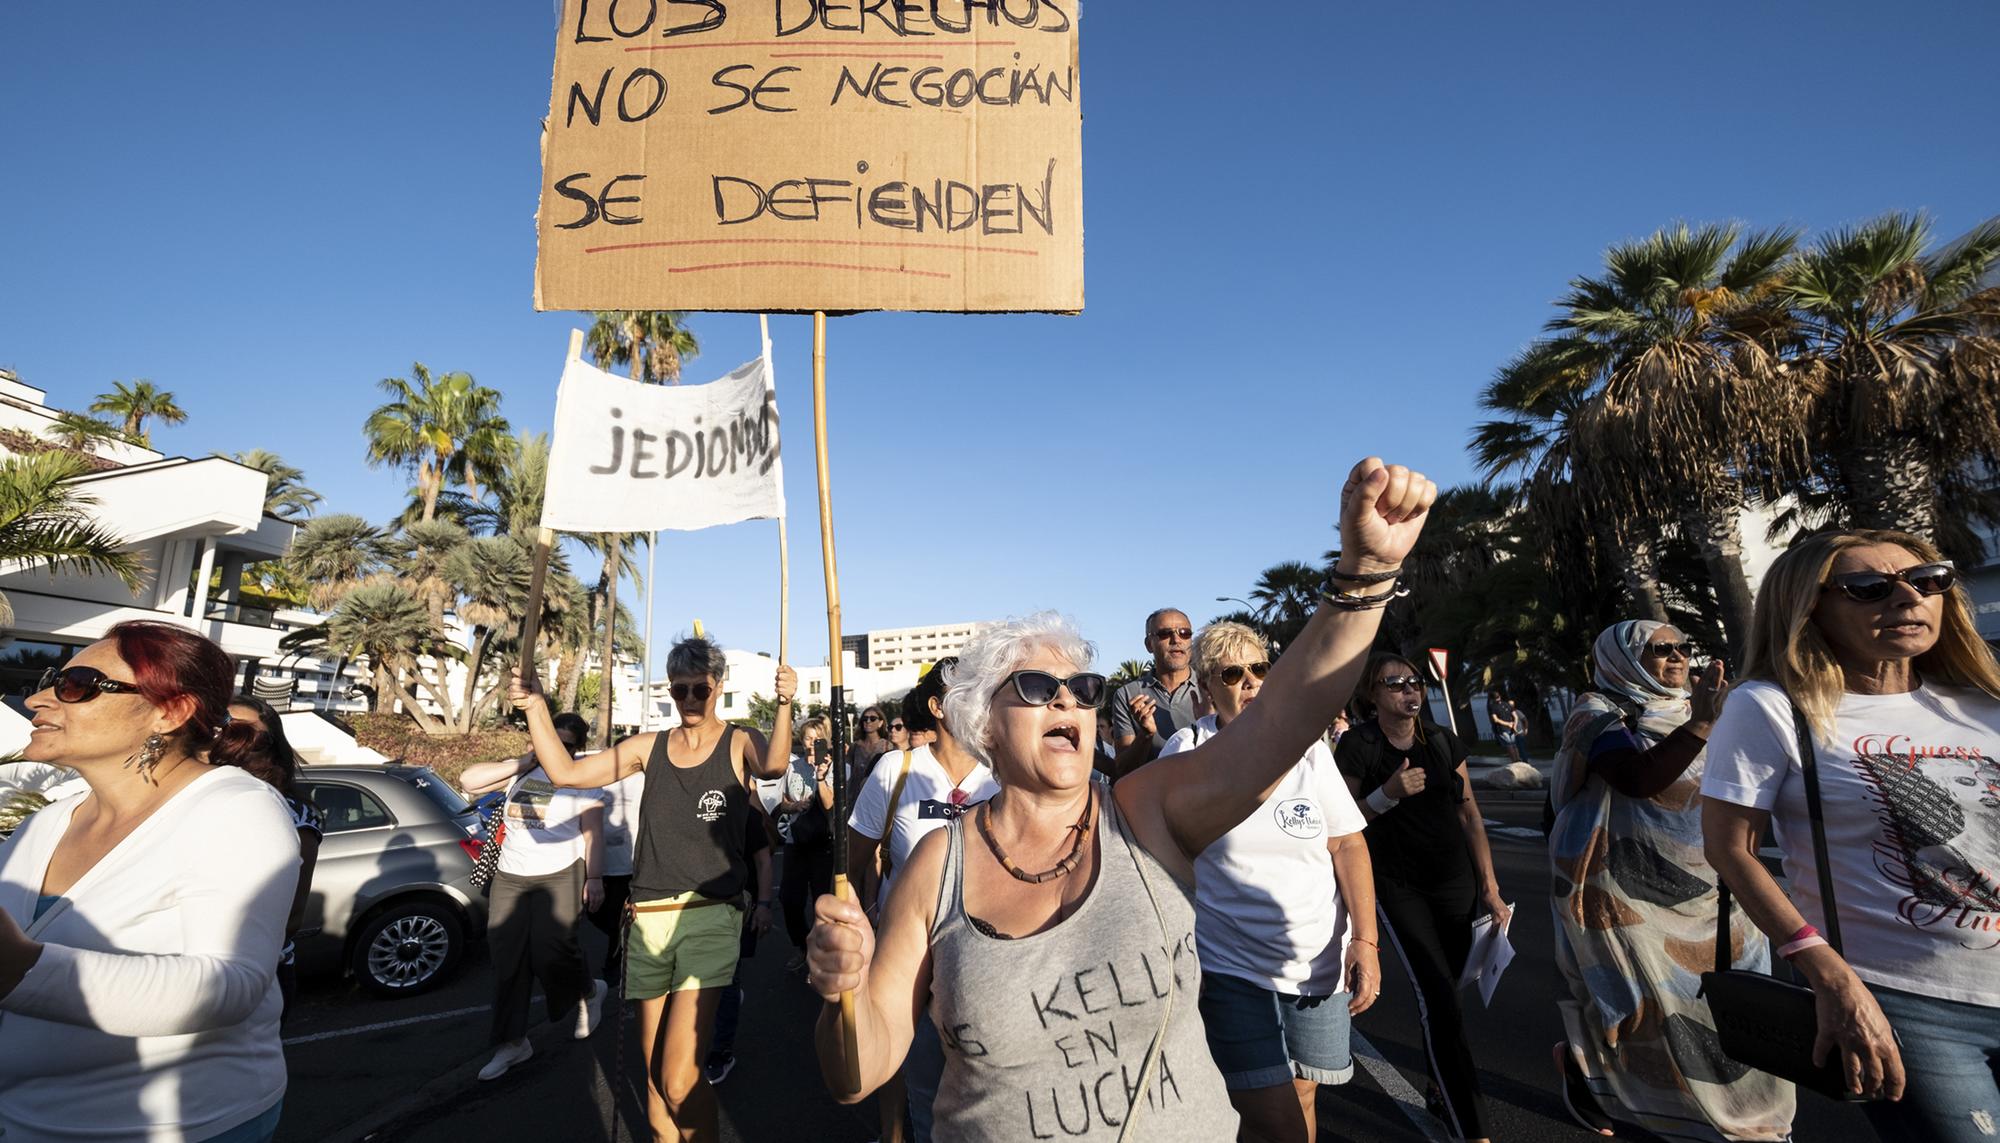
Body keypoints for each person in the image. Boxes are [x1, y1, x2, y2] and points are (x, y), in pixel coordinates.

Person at [806, 457, 1437, 1142]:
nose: (1069, 701)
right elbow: (855, 1074)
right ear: (981, 721)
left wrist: (1364, 576)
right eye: (1038, 687)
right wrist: (841, 988)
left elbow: (1282, 718)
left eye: (1082, 687)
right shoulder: (937, 866)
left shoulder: (1146, 812)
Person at [1702, 531, 2000, 1141]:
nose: (1907, 599)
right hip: (1907, 1003)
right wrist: (1832, 979)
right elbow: (1731, 848)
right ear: (1808, 609)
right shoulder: (1772, 707)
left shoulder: (1983, 700)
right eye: (1869, 589)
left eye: (1927, 580)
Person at [0, 621, 300, 1142]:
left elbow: (229, 984)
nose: (37, 700)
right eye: (53, 679)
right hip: (28, 1117)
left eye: (77, 685)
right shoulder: (45, 823)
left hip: (176, 1126)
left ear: (170, 711)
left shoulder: (236, 810)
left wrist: (19, 968)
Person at [509, 636, 795, 1143]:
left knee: (679, 1078)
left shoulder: (737, 742)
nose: (689, 700)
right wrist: (535, 706)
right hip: (646, 919)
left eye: (699, 690)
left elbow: (773, 764)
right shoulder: (649, 746)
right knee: (654, 1081)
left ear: (718, 688)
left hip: (710, 916)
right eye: (680, 689)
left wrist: (785, 703)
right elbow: (567, 773)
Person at [1548, 622, 1794, 1141]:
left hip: (1714, 885)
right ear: (1626, 659)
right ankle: (1620, 1095)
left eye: (1685, 647)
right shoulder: (1597, 713)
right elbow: (1638, 779)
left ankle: (1748, 1120)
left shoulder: (1698, 710)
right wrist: (1703, 725)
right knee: (1649, 1011)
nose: (1679, 657)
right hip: (1619, 888)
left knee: (1735, 1009)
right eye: (1662, 650)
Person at [1159, 621, 1377, 1143]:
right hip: (1229, 964)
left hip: (1316, 963)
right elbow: (1163, 859)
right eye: (1233, 673)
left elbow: (1347, 844)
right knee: (1262, 1108)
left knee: (1303, 1093)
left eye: (1260, 669)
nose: (1251, 682)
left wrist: (1365, 941)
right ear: (1207, 688)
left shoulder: (1308, 749)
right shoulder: (1185, 752)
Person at [1336, 652, 1510, 1143]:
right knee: (1438, 998)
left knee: (1448, 990)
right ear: (1374, 694)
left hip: (1456, 884)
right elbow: (1339, 826)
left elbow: (1470, 814)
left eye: (1413, 682)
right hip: (1397, 886)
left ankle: (1439, 1085)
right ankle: (1468, 1128)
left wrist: (1491, 889)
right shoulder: (1357, 745)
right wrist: (1386, 793)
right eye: (1394, 684)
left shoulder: (1441, 739)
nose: (1408, 691)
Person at [848, 660, 997, 1143]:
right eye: (966, 689)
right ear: (937, 707)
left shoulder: (1003, 770)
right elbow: (856, 858)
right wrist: (867, 919)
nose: (979, 696)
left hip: (986, 950)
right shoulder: (898, 768)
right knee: (909, 1063)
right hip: (910, 952)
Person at [458, 711, 608, 1081]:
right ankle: (513, 1043)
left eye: (566, 745)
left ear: (577, 749)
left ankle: (590, 991)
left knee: (553, 950)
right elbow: (467, 780)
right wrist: (527, 759)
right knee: (507, 960)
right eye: (550, 740)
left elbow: (594, 835)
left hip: (561, 872)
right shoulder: (520, 772)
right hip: (511, 875)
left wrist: (596, 878)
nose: (556, 750)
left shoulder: (583, 781)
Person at [211, 693, 323, 1023]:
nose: (232, 738)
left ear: (271, 745)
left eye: (248, 732)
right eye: (221, 726)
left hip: (254, 972)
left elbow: (291, 916)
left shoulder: (292, 813)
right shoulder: (187, 793)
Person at [704, 804, 776, 1085]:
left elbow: (764, 861)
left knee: (727, 980)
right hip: (696, 908)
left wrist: (764, 905)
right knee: (711, 983)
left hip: (736, 906)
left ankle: (721, 1052)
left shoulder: (746, 814)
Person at [777, 716, 837, 974]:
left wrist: (822, 777)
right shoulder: (793, 767)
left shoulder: (836, 767)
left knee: (822, 901)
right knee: (789, 898)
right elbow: (783, 802)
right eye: (807, 738)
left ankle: (821, 954)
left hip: (823, 841)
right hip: (795, 840)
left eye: (817, 738)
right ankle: (801, 946)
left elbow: (830, 806)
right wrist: (795, 806)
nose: (812, 743)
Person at [1111, 607, 1200, 776]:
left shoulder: (1211, 687)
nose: (1176, 639)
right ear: (1149, 645)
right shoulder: (1127, 695)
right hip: (1152, 799)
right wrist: (1145, 735)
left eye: (1184, 633)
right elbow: (1123, 770)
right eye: (1165, 634)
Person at [849, 705, 893, 779]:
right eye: (865, 719)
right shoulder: (855, 747)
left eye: (873, 719)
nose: (868, 721)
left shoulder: (887, 746)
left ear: (880, 723)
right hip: (856, 789)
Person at [1487, 691, 1525, 765]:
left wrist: (1508, 724)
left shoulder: (1493, 707)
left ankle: (1514, 761)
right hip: (1511, 728)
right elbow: (1515, 716)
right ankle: (1518, 759)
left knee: (1509, 745)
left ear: (1492, 699)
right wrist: (1514, 725)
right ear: (1499, 696)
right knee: (1514, 744)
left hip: (1503, 728)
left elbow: (1495, 719)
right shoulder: (1507, 704)